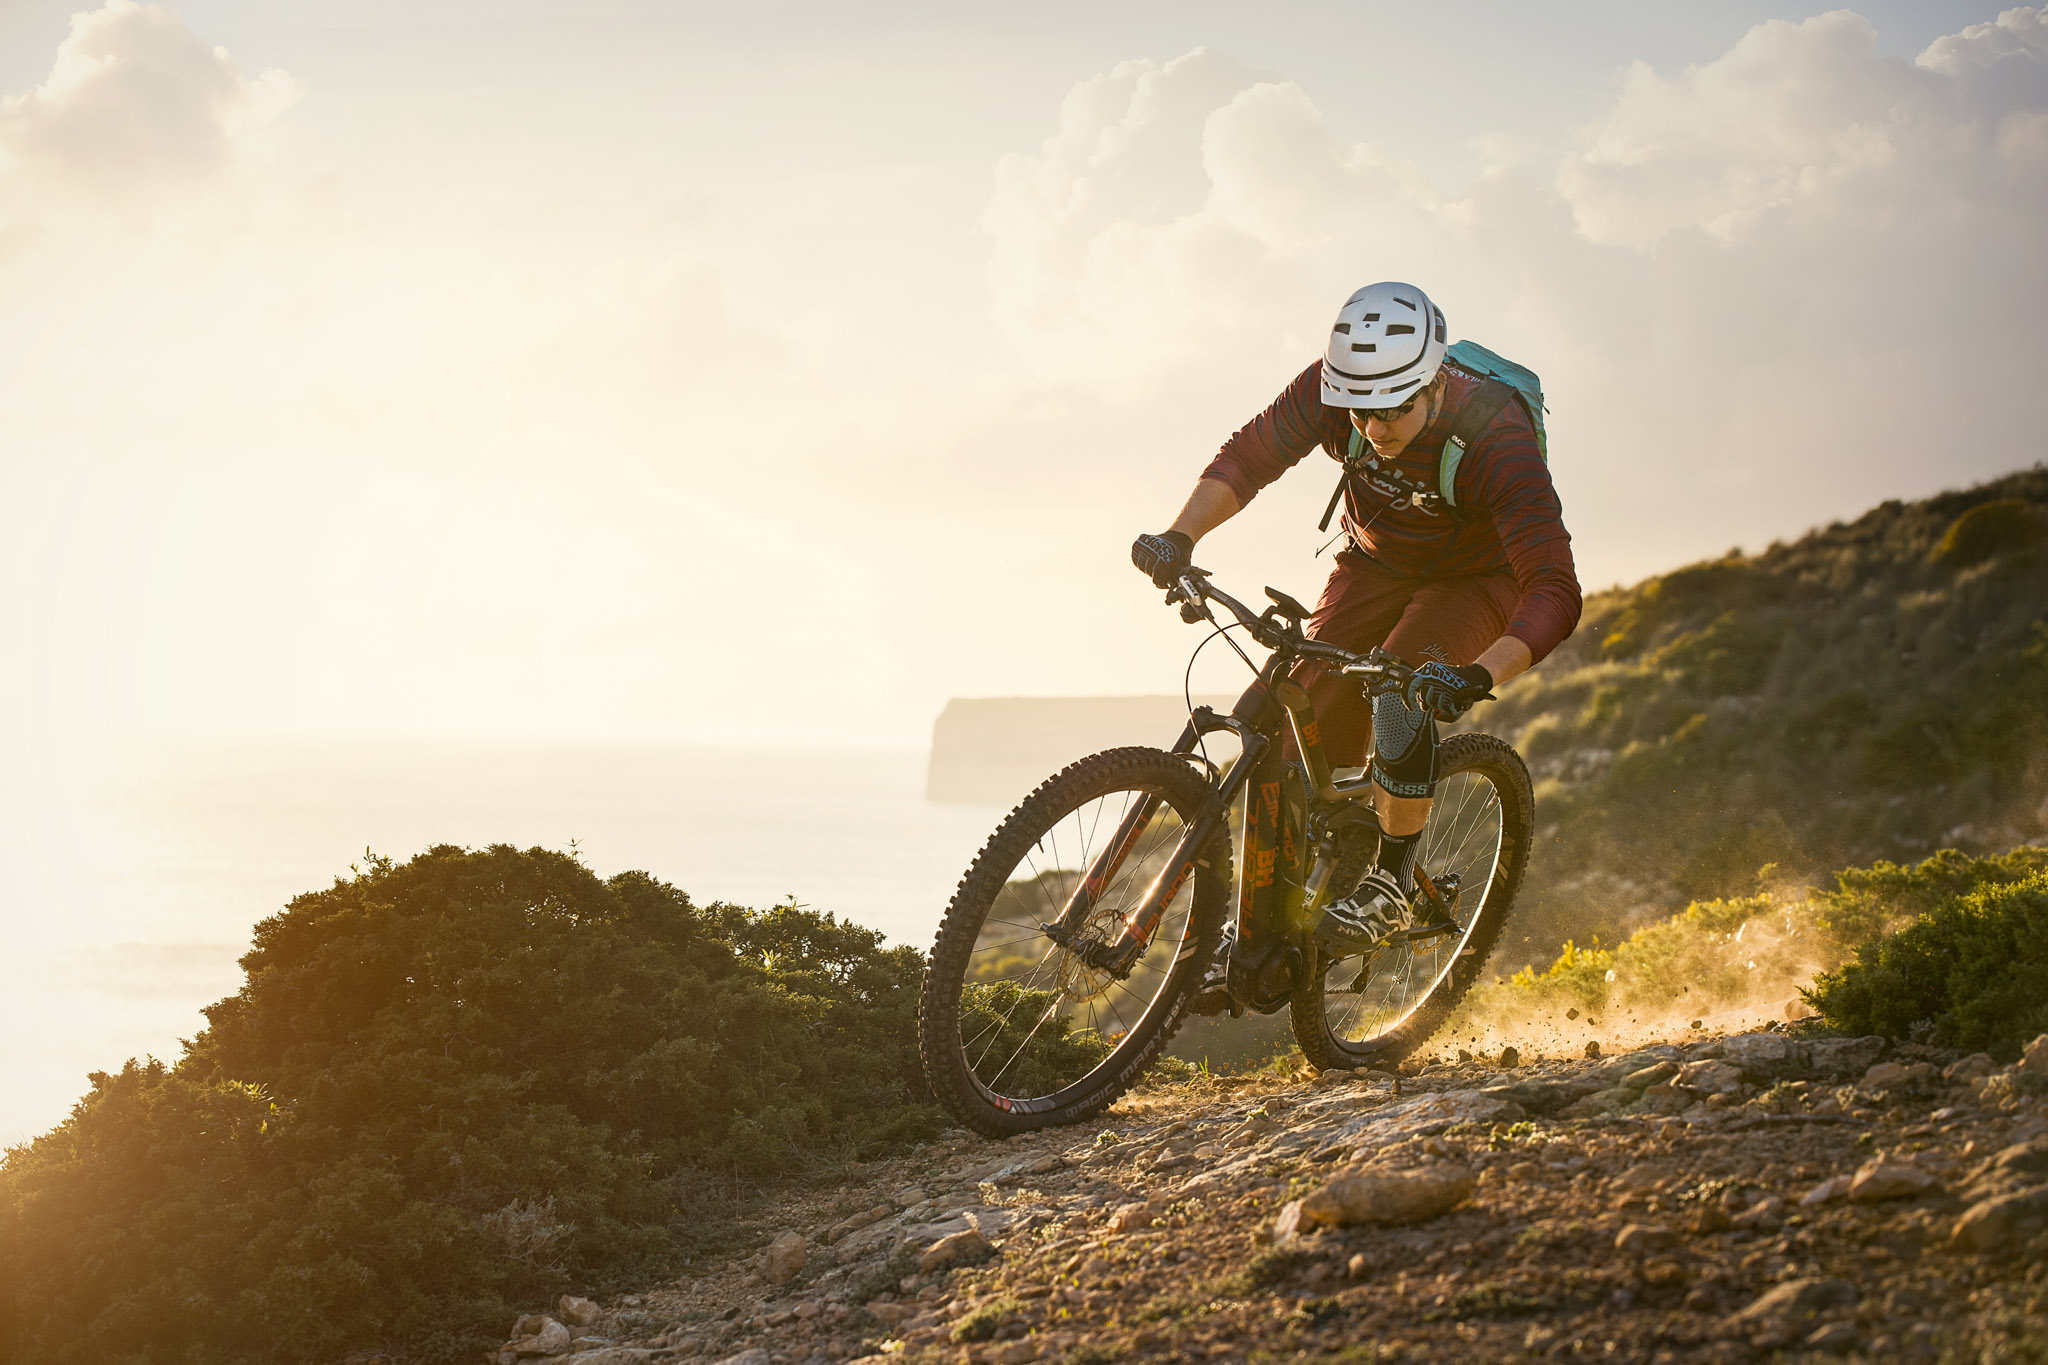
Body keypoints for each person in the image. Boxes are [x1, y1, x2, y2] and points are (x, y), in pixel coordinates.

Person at [1130, 281, 1581, 977]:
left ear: (1434, 382)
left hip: (1476, 580)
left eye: (1397, 406)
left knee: (1398, 693)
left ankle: (1391, 886)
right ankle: (1263, 934)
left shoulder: (1496, 438)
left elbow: (1553, 588)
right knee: (1289, 723)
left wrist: (1479, 673)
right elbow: (1249, 457)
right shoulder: (1332, 390)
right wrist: (1178, 536)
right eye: (1363, 409)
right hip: (1376, 561)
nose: (1376, 426)